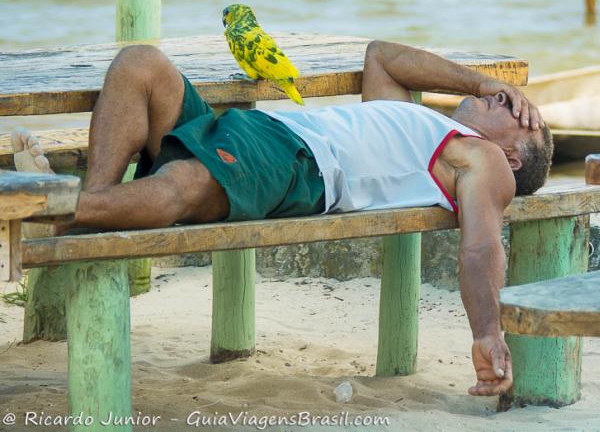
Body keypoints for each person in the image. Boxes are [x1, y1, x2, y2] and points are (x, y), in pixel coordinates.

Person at [10, 40, 553, 397]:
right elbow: (382, 56)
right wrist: (481, 83)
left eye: (517, 116)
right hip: (257, 132)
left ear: (511, 159)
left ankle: (50, 207)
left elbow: (481, 246)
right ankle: (88, 207)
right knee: (140, 63)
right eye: (510, 102)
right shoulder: (417, 120)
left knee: (183, 187)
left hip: (298, 166)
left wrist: (487, 333)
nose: (507, 104)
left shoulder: (481, 160)